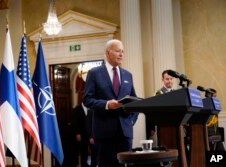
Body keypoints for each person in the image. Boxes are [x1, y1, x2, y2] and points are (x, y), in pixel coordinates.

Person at [83, 39, 139, 167]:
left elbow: (134, 101)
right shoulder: (94, 73)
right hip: (104, 133)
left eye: (123, 51)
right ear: (108, 53)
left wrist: (131, 121)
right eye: (118, 51)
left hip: (125, 132)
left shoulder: (127, 75)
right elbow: (87, 100)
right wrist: (107, 105)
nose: (121, 54)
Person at [146, 70, 174, 141]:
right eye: (167, 79)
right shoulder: (158, 93)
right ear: (163, 80)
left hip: (175, 125)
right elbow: (153, 111)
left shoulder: (176, 93)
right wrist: (152, 127)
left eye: (171, 79)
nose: (169, 81)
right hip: (163, 126)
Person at [71, 103, 90, 167]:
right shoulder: (76, 109)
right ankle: (75, 164)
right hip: (79, 135)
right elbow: (74, 122)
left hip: (86, 135)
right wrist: (77, 133)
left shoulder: (90, 109)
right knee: (76, 151)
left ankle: (84, 164)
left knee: (85, 151)